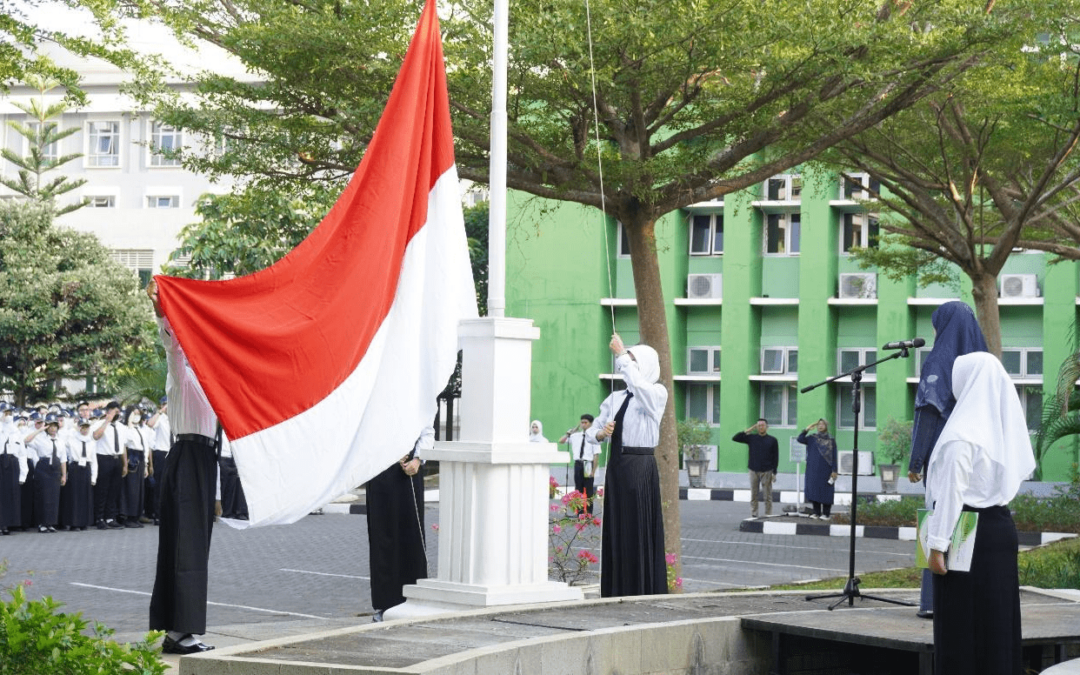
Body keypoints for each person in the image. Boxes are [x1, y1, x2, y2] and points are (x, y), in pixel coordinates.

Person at [925, 352, 1034, 675]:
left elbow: (951, 496)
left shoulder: (961, 435)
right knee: (998, 625)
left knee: (960, 627)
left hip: (966, 535)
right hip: (1000, 528)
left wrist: (936, 545)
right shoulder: (997, 433)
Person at [147, 278, 220, 655]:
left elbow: (215, 440)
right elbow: (172, 344)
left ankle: (180, 630)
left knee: (195, 546)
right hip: (186, 458)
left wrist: (218, 493)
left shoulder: (212, 387)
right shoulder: (181, 375)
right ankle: (179, 632)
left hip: (204, 462)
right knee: (185, 547)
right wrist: (162, 310)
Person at [909, 300, 987, 619]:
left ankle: (932, 600)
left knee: (940, 516)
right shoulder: (983, 362)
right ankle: (962, 600)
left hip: (946, 451)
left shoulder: (941, 359)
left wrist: (916, 461)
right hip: (978, 457)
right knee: (967, 519)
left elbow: (929, 410)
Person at [586, 334, 667, 598]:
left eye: (632, 362)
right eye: (625, 361)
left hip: (639, 467)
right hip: (617, 467)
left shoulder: (655, 393)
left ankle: (641, 588)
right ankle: (616, 588)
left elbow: (639, 386)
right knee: (617, 526)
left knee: (637, 527)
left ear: (644, 365)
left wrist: (622, 355)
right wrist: (601, 433)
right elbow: (595, 429)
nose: (625, 367)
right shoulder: (616, 397)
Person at [366, 426, 432, 622]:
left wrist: (418, 459)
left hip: (408, 473)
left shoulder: (420, 400)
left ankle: (416, 600)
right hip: (379, 471)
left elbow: (428, 432)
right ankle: (384, 605)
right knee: (381, 537)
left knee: (411, 536)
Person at [24, 414, 67, 533]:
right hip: (43, 467)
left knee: (54, 497)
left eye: (55, 426)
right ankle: (42, 524)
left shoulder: (60, 441)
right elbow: (26, 440)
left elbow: (63, 459)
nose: (53, 429)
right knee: (43, 497)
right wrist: (40, 430)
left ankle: (51, 523)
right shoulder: (40, 439)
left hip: (56, 468)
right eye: (50, 426)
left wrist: (64, 475)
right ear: (47, 427)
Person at [732, 419, 779, 518]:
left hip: (767, 470)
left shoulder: (772, 440)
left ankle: (768, 514)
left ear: (767, 427)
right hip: (753, 469)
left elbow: (776, 457)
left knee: (768, 495)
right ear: (756, 427)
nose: (761, 427)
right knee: (754, 494)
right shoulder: (752, 438)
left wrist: (774, 472)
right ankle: (754, 514)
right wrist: (749, 429)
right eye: (759, 425)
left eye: (763, 425)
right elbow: (735, 438)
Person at [92, 401, 128, 530]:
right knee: (102, 490)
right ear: (108, 411)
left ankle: (110, 517)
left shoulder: (121, 427)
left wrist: (125, 464)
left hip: (117, 459)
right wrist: (107, 421)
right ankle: (99, 518)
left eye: (118, 412)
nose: (116, 414)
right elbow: (96, 436)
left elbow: (123, 446)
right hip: (104, 458)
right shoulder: (99, 424)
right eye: (114, 411)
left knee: (114, 490)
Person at [60, 418, 97, 531]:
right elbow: (62, 442)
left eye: (87, 427)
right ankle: (74, 523)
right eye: (82, 427)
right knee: (74, 496)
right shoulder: (71, 439)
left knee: (85, 496)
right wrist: (72, 427)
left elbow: (94, 460)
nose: (84, 430)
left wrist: (94, 476)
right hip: (75, 467)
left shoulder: (91, 442)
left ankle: (84, 522)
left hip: (86, 468)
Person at [797, 419, 838, 520]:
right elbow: (800, 439)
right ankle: (816, 512)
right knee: (814, 490)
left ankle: (826, 514)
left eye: (823, 424)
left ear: (826, 426)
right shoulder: (812, 438)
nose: (820, 426)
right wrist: (806, 429)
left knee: (826, 491)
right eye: (818, 424)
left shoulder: (831, 440)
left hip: (826, 470)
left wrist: (834, 470)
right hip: (813, 469)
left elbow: (834, 456)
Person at [559, 414, 598, 514]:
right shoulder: (575, 436)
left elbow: (596, 455)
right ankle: (579, 512)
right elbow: (561, 441)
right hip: (578, 463)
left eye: (586, 423)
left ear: (590, 424)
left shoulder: (594, 437)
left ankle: (589, 513)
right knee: (578, 489)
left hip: (588, 464)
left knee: (589, 490)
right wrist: (570, 432)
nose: (583, 424)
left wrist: (593, 471)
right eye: (582, 422)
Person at [121, 407, 152, 528]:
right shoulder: (126, 429)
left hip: (140, 458)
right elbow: (126, 443)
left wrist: (146, 465)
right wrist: (129, 423)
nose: (137, 416)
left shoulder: (141, 429)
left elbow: (145, 447)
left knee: (139, 490)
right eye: (134, 414)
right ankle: (128, 517)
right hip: (132, 457)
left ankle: (136, 516)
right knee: (131, 489)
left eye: (138, 414)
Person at [0, 412, 28, 536]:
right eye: (5, 413)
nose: (8, 416)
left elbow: (22, 454)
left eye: (9, 413)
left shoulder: (17, 433)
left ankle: (7, 524)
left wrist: (23, 474)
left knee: (11, 495)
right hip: (1, 461)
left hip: (12, 463)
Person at [146, 398, 171, 525]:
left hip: (174, 453)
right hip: (161, 453)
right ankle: (158, 514)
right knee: (160, 485)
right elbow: (150, 424)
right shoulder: (160, 419)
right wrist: (160, 411)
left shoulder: (177, 418)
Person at [218, 433, 248, 520]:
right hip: (223, 456)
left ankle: (231, 511)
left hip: (233, 456)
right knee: (224, 484)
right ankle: (226, 511)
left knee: (233, 484)